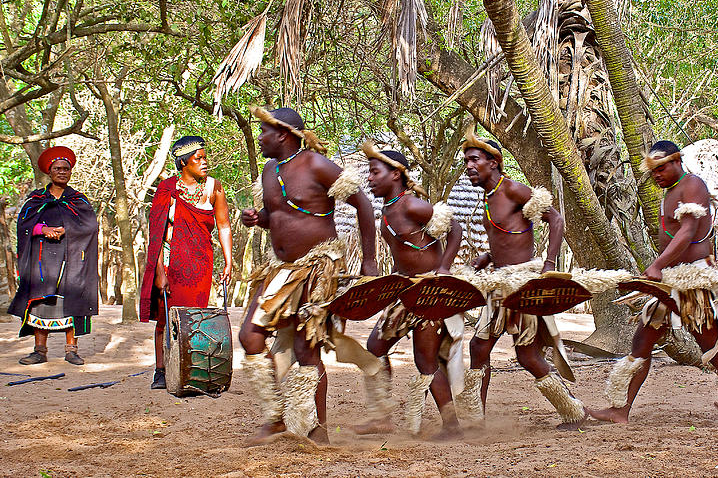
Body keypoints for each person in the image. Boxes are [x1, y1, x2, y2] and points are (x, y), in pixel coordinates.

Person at [593, 141, 718, 427]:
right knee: (641, 343)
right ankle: (620, 409)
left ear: (676, 162)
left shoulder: (692, 184)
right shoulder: (669, 193)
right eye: (653, 171)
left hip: (693, 279)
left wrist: (657, 265)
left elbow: (687, 232)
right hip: (672, 281)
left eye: (661, 168)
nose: (656, 175)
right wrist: (662, 268)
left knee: (712, 348)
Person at [239, 107, 378, 446]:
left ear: (283, 135)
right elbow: (278, 216)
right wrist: (259, 219)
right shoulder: (270, 170)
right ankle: (275, 416)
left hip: (318, 266)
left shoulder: (317, 165)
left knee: (306, 349)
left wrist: (370, 262)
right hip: (281, 269)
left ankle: (317, 430)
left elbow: (363, 205)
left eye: (264, 132)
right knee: (250, 336)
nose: (259, 138)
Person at [453, 126, 597, 429]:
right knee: (479, 348)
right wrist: (488, 257)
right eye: (466, 160)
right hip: (500, 283)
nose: (468, 166)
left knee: (527, 355)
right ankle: (474, 420)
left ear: (493, 162)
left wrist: (549, 262)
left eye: (474, 159)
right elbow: (510, 238)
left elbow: (555, 218)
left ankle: (573, 411)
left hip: (521, 285)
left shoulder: (512, 189)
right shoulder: (489, 197)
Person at [351, 142, 464, 439]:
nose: (370, 179)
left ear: (396, 175)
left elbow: (455, 228)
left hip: (429, 292)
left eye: (375, 172)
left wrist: (445, 267)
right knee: (374, 350)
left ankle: (452, 425)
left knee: (426, 361)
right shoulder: (388, 209)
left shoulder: (412, 205)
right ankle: (382, 417)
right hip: (405, 290)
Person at [139, 136, 233, 389]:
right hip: (170, 263)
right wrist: (160, 272)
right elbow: (157, 232)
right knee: (165, 319)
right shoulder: (167, 189)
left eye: (205, 157)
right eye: (198, 158)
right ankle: (160, 371)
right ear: (183, 163)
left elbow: (223, 225)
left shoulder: (214, 187)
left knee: (195, 318)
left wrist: (228, 261)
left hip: (199, 264)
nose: (204, 163)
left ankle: (192, 371)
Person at [10, 146, 99, 366]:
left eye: (66, 169)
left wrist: (66, 230)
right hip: (42, 262)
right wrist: (42, 229)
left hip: (72, 261)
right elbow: (24, 225)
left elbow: (90, 226)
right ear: (49, 172)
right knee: (40, 301)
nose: (62, 172)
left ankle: (71, 350)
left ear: (70, 172)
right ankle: (40, 350)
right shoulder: (36, 199)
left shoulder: (78, 200)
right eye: (57, 168)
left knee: (72, 300)